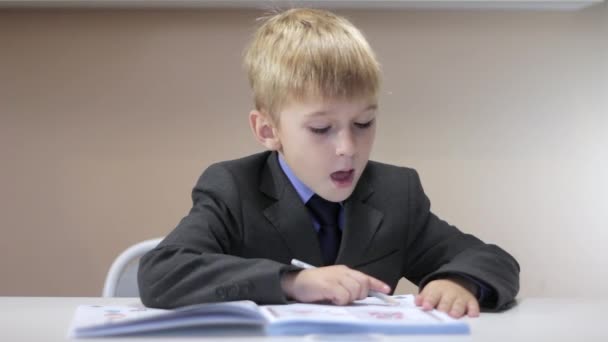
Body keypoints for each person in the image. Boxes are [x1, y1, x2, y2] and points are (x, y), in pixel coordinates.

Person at [138, 8, 519, 318]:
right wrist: (293, 281)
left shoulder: (394, 193)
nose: (348, 148)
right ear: (268, 130)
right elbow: (161, 273)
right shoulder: (233, 187)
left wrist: (459, 281)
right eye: (321, 128)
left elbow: (493, 260)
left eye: (363, 123)